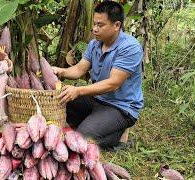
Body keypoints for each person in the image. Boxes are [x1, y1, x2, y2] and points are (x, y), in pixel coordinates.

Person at [52, 1, 143, 150]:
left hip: (120, 107)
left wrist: (78, 90)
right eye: (94, 24)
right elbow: (79, 69)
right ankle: (97, 125)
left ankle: (116, 136)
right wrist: (59, 71)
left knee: (79, 140)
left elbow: (113, 83)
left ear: (117, 25)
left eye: (100, 25)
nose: (94, 29)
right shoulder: (95, 44)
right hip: (97, 99)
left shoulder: (130, 47)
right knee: (59, 99)